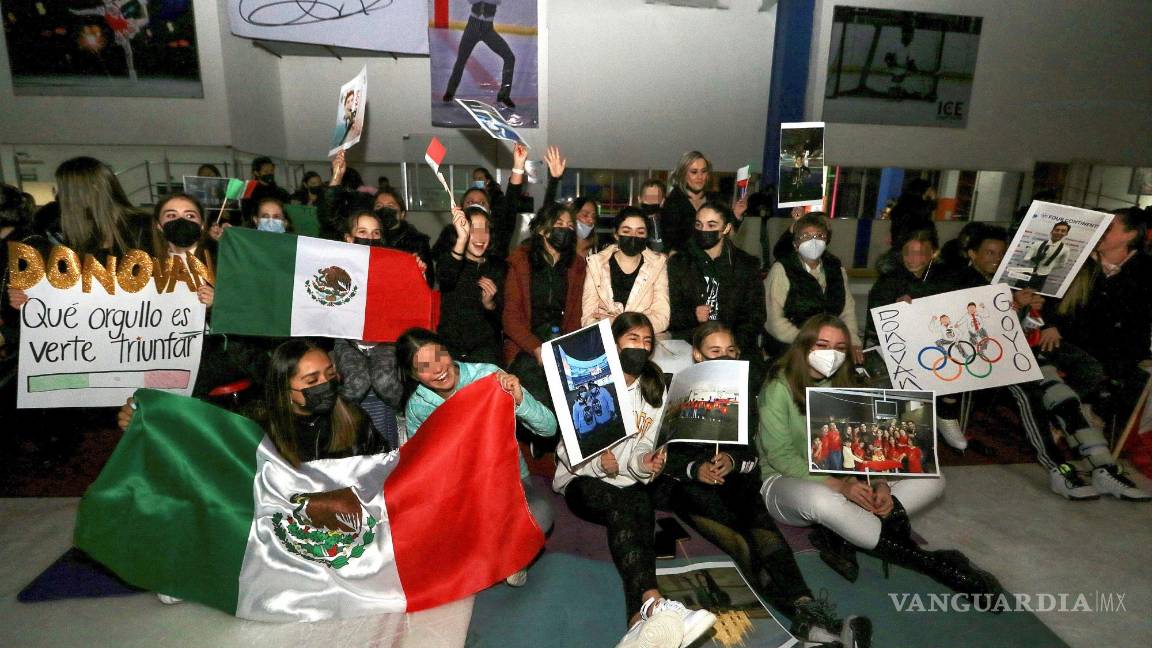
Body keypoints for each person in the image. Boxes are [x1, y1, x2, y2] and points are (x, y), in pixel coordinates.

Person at [758, 314, 1003, 597]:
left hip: (846, 473)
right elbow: (780, 456)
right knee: (823, 501)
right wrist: (841, 486)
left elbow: (868, 445)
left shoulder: (847, 383)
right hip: (785, 479)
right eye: (822, 345)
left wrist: (880, 484)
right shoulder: (778, 387)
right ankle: (935, 564)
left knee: (933, 479)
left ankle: (845, 531)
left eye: (839, 347)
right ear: (804, 345)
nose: (831, 354)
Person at [661, 322, 871, 646]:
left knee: (768, 538)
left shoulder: (746, 393)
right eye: (715, 351)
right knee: (741, 544)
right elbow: (659, 458)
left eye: (731, 351)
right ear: (698, 355)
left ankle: (807, 610)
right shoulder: (677, 391)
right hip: (689, 486)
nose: (725, 357)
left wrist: (732, 461)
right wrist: (695, 468)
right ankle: (810, 621)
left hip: (737, 480)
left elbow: (753, 454)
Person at [553, 313, 717, 648]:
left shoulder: (653, 389)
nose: (640, 347)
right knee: (623, 504)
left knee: (640, 501)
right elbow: (565, 447)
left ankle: (639, 619)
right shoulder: (589, 381)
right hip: (580, 480)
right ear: (614, 344)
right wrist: (598, 462)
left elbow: (642, 445)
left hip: (627, 479)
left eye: (646, 341)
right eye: (633, 339)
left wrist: (646, 462)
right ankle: (654, 605)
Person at [399, 327, 556, 586]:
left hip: (510, 482)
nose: (437, 369)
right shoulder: (418, 406)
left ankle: (506, 556)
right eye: (424, 367)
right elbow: (422, 465)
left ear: (448, 351)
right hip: (464, 493)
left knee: (542, 514)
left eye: (439, 356)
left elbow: (548, 428)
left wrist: (519, 399)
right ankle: (497, 552)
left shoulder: (487, 376)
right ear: (414, 375)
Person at [329, 210, 406, 449]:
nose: (369, 238)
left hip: (384, 340)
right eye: (362, 232)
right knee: (357, 383)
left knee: (385, 381)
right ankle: (338, 428)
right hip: (348, 341)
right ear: (349, 238)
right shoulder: (333, 269)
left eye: (375, 233)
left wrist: (416, 272)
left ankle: (402, 423)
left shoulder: (393, 266)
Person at [668, 201, 766, 385]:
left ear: (726, 228)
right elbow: (671, 312)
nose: (703, 230)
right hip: (689, 343)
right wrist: (693, 315)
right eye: (699, 225)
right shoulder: (679, 263)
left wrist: (729, 345)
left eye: (711, 225)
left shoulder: (746, 265)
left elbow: (755, 314)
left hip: (735, 345)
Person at [502, 201, 586, 409]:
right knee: (537, 397)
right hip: (526, 346)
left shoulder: (577, 266)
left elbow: (576, 315)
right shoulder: (521, 261)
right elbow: (511, 317)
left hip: (562, 343)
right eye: (559, 224)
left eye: (570, 226)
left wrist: (565, 350)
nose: (565, 230)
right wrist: (536, 349)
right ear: (542, 229)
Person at [764, 212, 862, 364]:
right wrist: (810, 341)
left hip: (831, 345)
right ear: (795, 244)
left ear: (826, 240)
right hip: (791, 346)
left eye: (819, 236)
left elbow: (847, 311)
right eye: (806, 236)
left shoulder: (835, 269)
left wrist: (852, 341)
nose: (814, 241)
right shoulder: (782, 269)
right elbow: (773, 321)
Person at [325, 150, 433, 284]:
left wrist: (418, 272)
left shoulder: (417, 242)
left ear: (402, 214)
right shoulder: (367, 239)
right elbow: (331, 218)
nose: (384, 209)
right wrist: (336, 178)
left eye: (391, 206)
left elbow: (428, 282)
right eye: (379, 206)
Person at [581, 207, 670, 335]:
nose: (633, 236)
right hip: (606, 338)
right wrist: (637, 324)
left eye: (640, 232)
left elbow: (662, 318)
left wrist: (619, 324)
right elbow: (588, 318)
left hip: (641, 340)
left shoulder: (658, 265)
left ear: (647, 236)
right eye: (626, 231)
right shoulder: (596, 264)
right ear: (616, 234)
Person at [436, 205, 507, 365]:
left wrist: (489, 305)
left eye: (485, 230)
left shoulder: (497, 267)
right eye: (473, 230)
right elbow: (446, 279)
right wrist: (462, 239)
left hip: (485, 351)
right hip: (450, 348)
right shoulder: (450, 261)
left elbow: (504, 320)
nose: (480, 236)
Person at [442, 0, 517, 109]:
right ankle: (450, 92)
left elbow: (497, 1)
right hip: (472, 27)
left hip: (488, 29)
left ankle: (504, 95)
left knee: (510, 57)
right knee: (461, 60)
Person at [662, 151, 713, 252]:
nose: (700, 177)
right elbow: (670, 243)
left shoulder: (714, 200)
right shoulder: (673, 202)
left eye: (703, 171)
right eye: (694, 172)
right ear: (683, 174)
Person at [1017, 221, 1071, 291]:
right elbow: (1026, 258)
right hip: (1027, 272)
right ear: (1052, 231)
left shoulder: (1065, 249)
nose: (1059, 232)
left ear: (1066, 233)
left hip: (1042, 276)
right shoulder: (1037, 244)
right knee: (1017, 290)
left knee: (1034, 295)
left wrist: (1048, 265)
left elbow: (1062, 264)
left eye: (1063, 231)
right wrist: (1034, 259)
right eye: (1057, 230)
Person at [635, 179, 668, 253]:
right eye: (647, 198)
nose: (651, 201)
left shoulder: (669, 223)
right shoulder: (631, 222)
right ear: (639, 199)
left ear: (662, 201)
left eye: (655, 198)